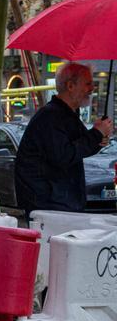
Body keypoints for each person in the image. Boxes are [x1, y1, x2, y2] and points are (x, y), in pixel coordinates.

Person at [16, 62, 113, 215]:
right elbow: (64, 155)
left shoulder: (66, 114)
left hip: (60, 202)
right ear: (70, 86)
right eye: (88, 83)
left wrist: (99, 137)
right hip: (50, 205)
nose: (92, 88)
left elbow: (81, 145)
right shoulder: (51, 117)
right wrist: (96, 134)